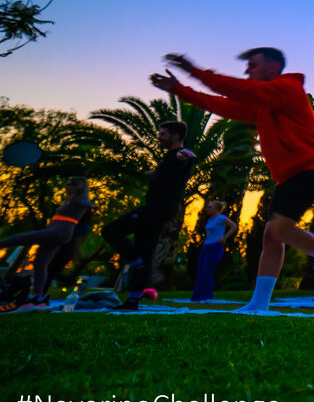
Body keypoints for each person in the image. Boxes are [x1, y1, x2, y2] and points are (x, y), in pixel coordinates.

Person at [151, 47, 314, 313]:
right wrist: (180, 90)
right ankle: (259, 304)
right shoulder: (264, 105)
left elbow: (237, 90)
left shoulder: (287, 89)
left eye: (252, 65)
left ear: (273, 67)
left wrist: (194, 72)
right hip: (287, 176)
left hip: (310, 167)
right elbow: (224, 104)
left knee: (278, 231)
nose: (247, 70)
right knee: (271, 237)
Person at [102, 121, 195, 311]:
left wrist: (184, 155)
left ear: (176, 136)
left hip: (159, 208)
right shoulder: (166, 159)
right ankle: (132, 301)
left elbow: (184, 157)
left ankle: (135, 261)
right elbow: (168, 171)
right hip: (160, 208)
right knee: (144, 250)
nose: (159, 137)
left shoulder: (179, 155)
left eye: (163, 134)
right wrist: (153, 172)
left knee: (111, 230)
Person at [0, 176, 94, 313]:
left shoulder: (80, 199)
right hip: (56, 231)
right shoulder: (70, 200)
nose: (66, 186)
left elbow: (86, 202)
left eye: (70, 184)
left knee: (17, 238)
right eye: (66, 183)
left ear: (78, 186)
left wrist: (89, 204)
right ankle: (39, 297)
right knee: (40, 264)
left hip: (59, 232)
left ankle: (38, 296)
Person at [191, 200, 237, 302]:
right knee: (200, 271)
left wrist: (224, 237)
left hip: (215, 247)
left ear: (216, 209)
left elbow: (234, 226)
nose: (207, 209)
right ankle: (197, 296)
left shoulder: (221, 218)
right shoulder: (210, 220)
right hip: (206, 246)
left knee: (206, 271)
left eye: (210, 207)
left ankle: (207, 296)